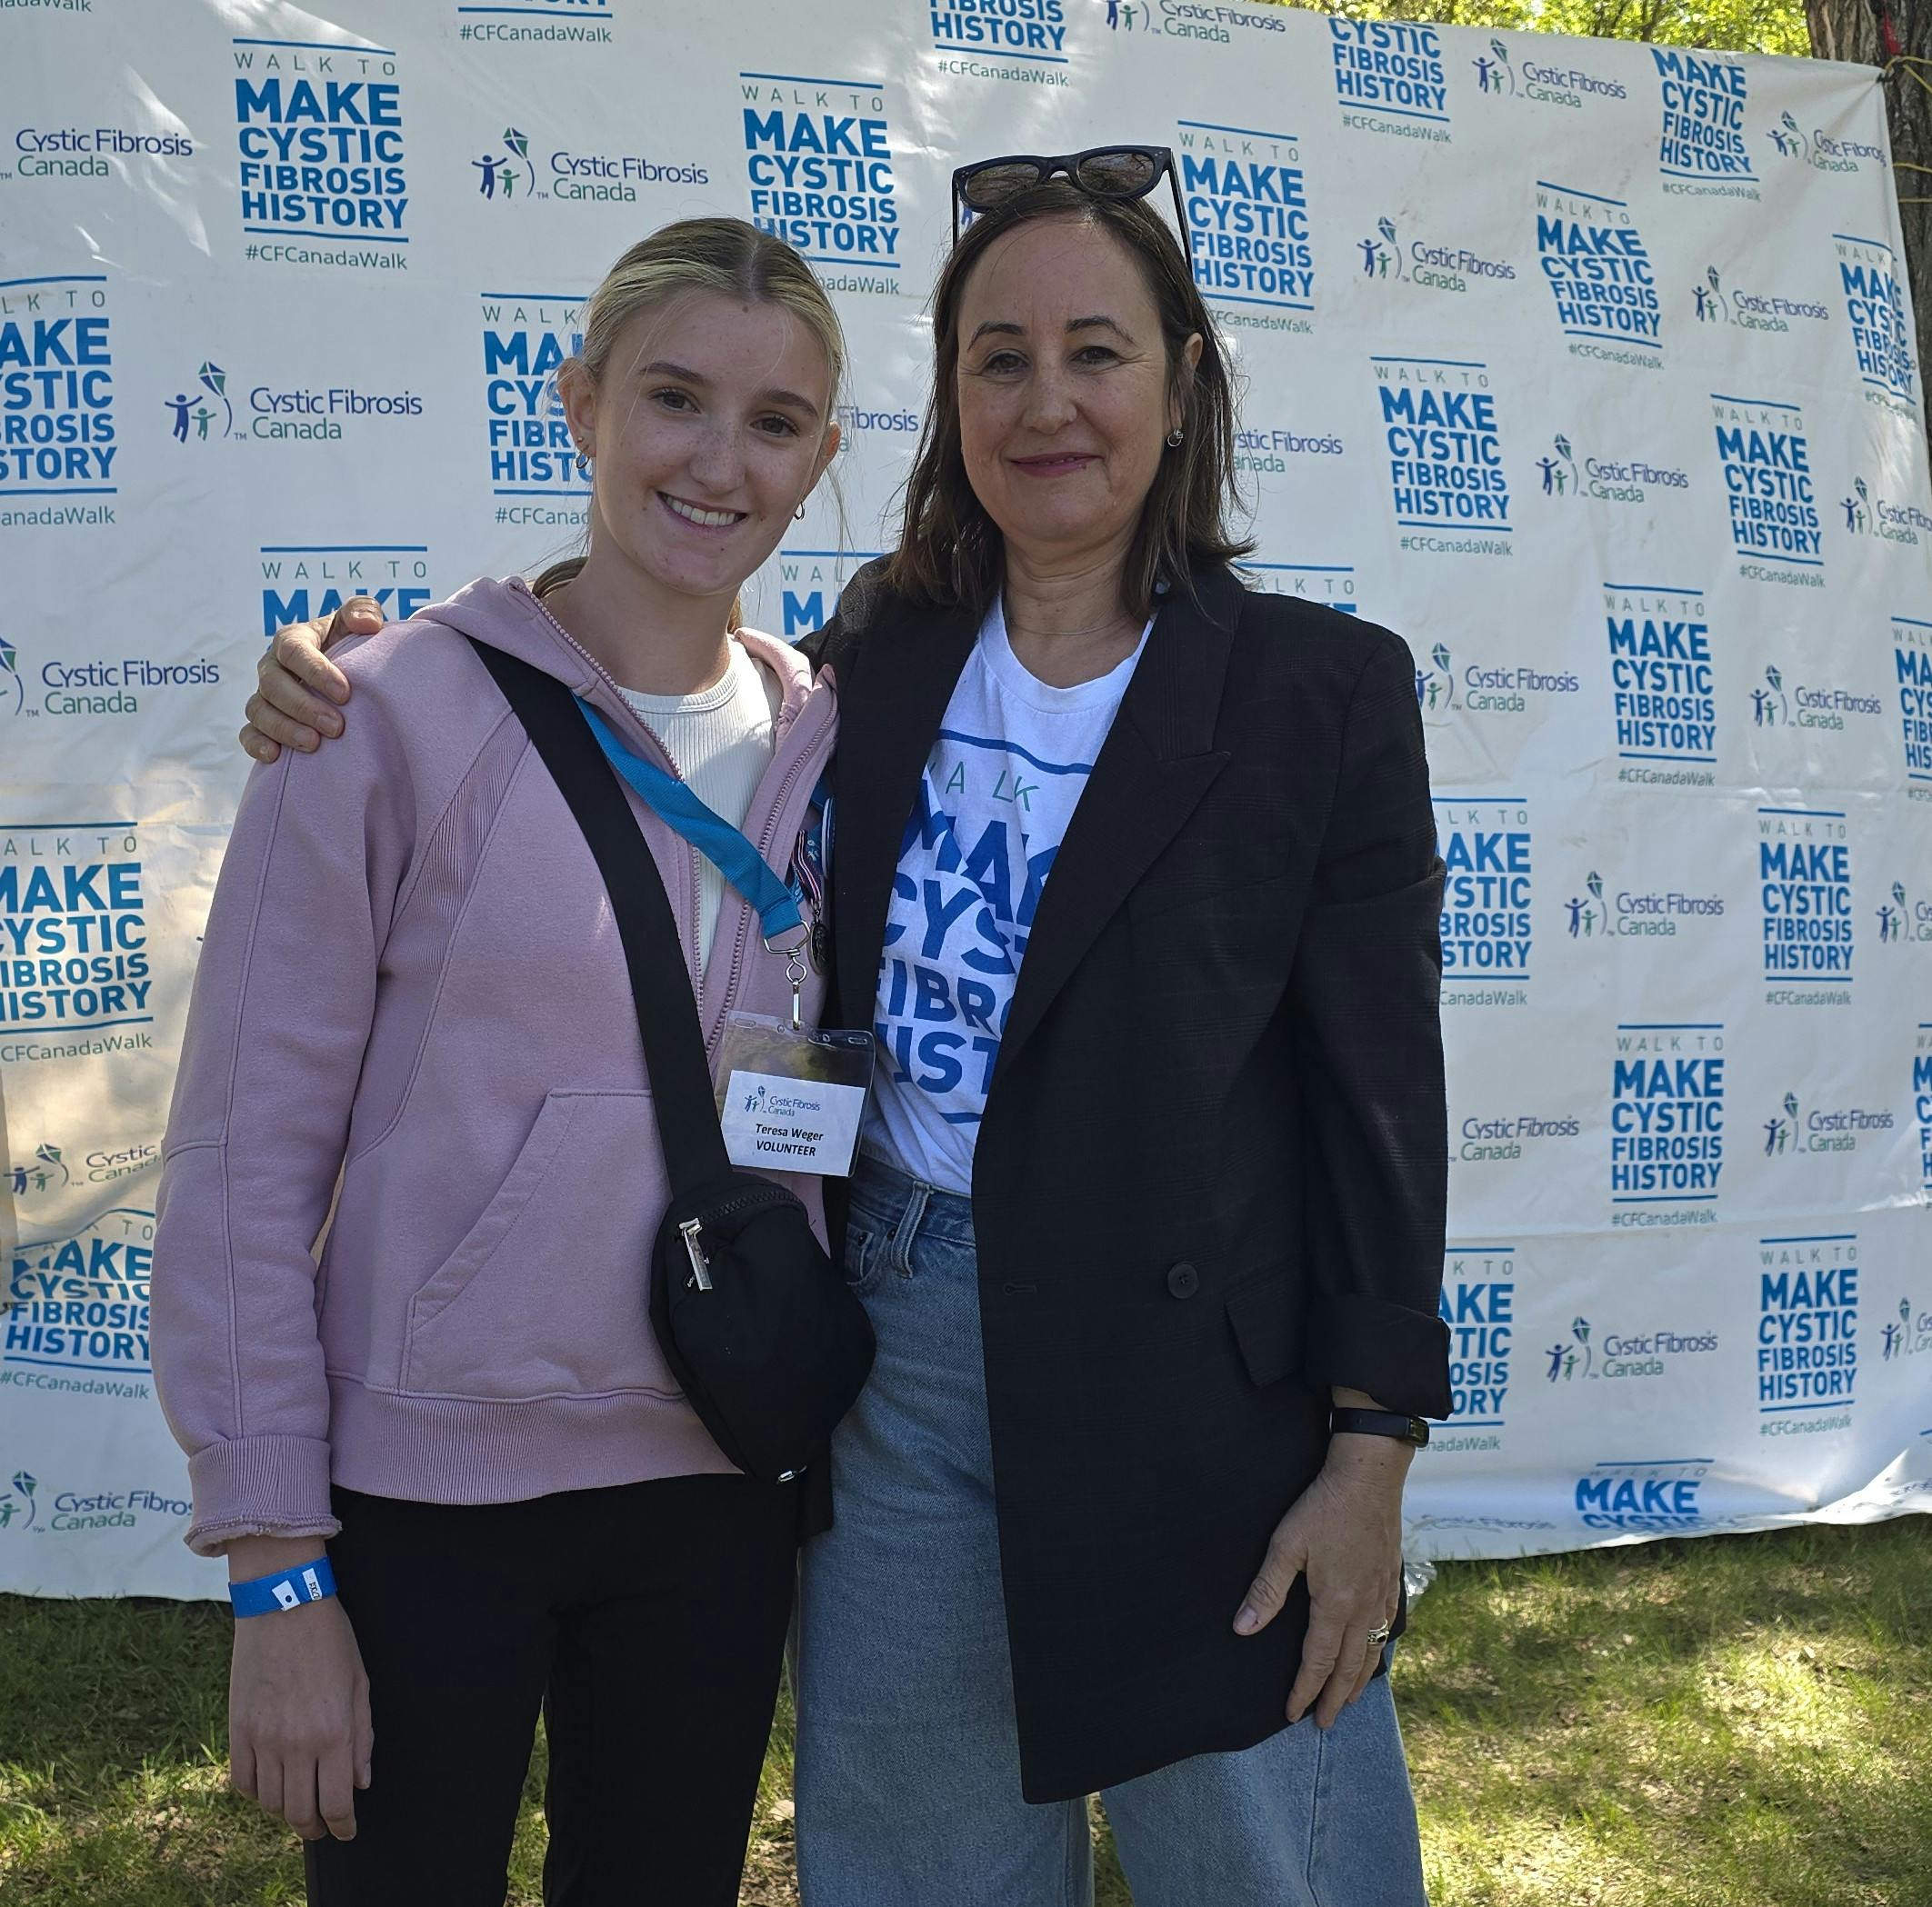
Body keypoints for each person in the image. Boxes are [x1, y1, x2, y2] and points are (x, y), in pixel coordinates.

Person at [243, 155, 1450, 1907]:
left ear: (1181, 382)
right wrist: (359, 665)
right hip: (897, 1344)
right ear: (945, 399)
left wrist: (1368, 1451)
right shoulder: (867, 663)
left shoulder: (1321, 691)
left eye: (1094, 352)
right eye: (997, 358)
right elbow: (631, 679)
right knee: (920, 1856)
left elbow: (1378, 1109)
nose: (1046, 403)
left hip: (1206, 1379)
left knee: (1263, 1859)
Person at [153, 216, 847, 1906]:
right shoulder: (379, 715)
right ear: (580, 404)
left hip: (720, 1481)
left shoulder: (846, 739)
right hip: (428, 1496)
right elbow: (244, 1151)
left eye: (774, 422)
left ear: (822, 456)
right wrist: (271, 1569)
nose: (717, 460)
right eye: (675, 399)